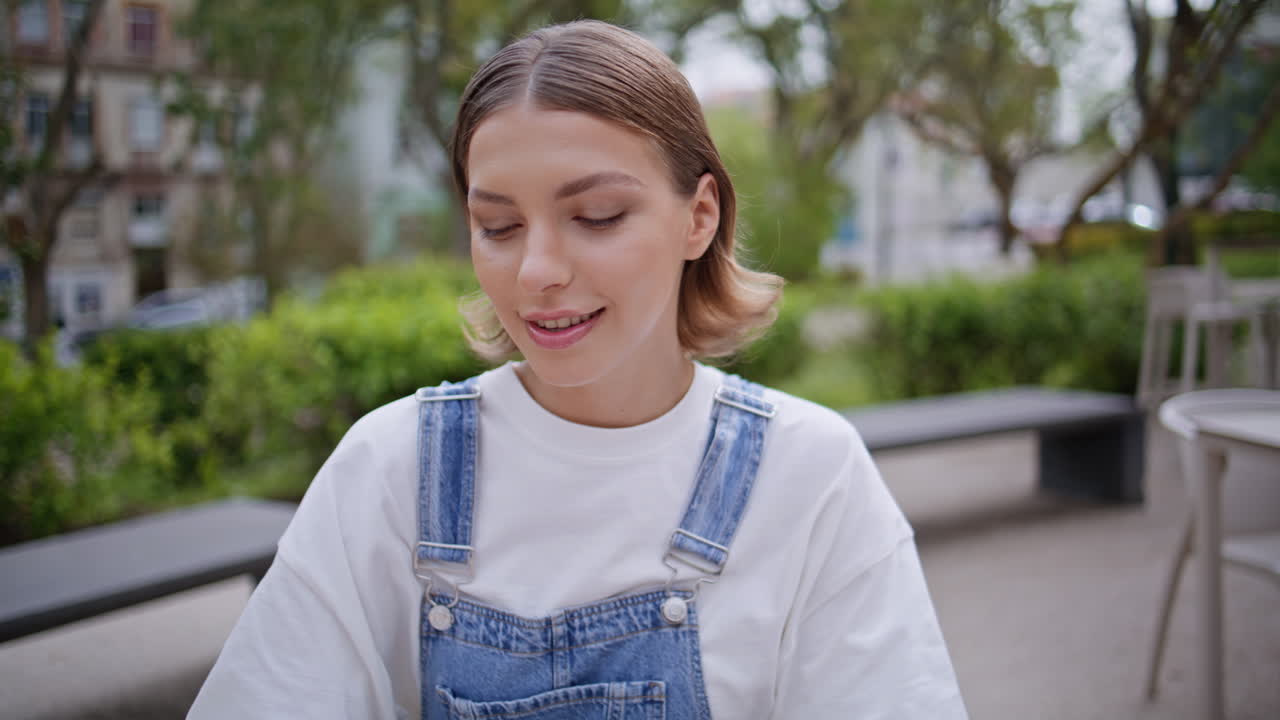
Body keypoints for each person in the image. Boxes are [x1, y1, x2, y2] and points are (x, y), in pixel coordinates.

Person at [188, 20, 967, 719]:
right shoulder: (391, 468)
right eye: (498, 226)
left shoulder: (811, 475)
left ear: (699, 217)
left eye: (597, 216)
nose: (536, 271)